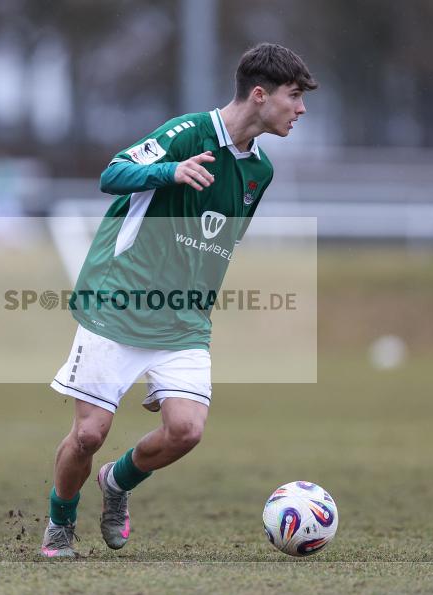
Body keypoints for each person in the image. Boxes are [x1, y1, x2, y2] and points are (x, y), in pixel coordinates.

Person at [41, 43, 317, 558]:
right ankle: (60, 523)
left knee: (186, 431)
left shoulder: (261, 173)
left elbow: (221, 246)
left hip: (183, 318)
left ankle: (117, 483)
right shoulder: (186, 133)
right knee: (88, 434)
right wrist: (170, 171)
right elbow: (112, 174)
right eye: (294, 96)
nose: (301, 109)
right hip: (117, 304)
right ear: (260, 95)